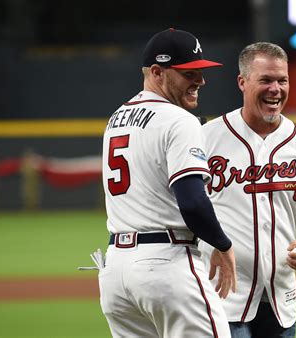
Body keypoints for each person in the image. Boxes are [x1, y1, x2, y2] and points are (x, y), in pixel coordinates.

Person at [200, 42, 296, 337]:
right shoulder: (207, 138)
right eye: (265, 80)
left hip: (281, 296)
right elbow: (179, 208)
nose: (275, 89)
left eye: (283, 80)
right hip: (221, 296)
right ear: (243, 82)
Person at [99, 28, 237, 338]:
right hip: (166, 267)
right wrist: (222, 244)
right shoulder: (178, 120)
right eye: (189, 73)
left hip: (116, 273)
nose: (200, 81)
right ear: (158, 73)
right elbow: (192, 201)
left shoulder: (116, 118)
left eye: (200, 72)